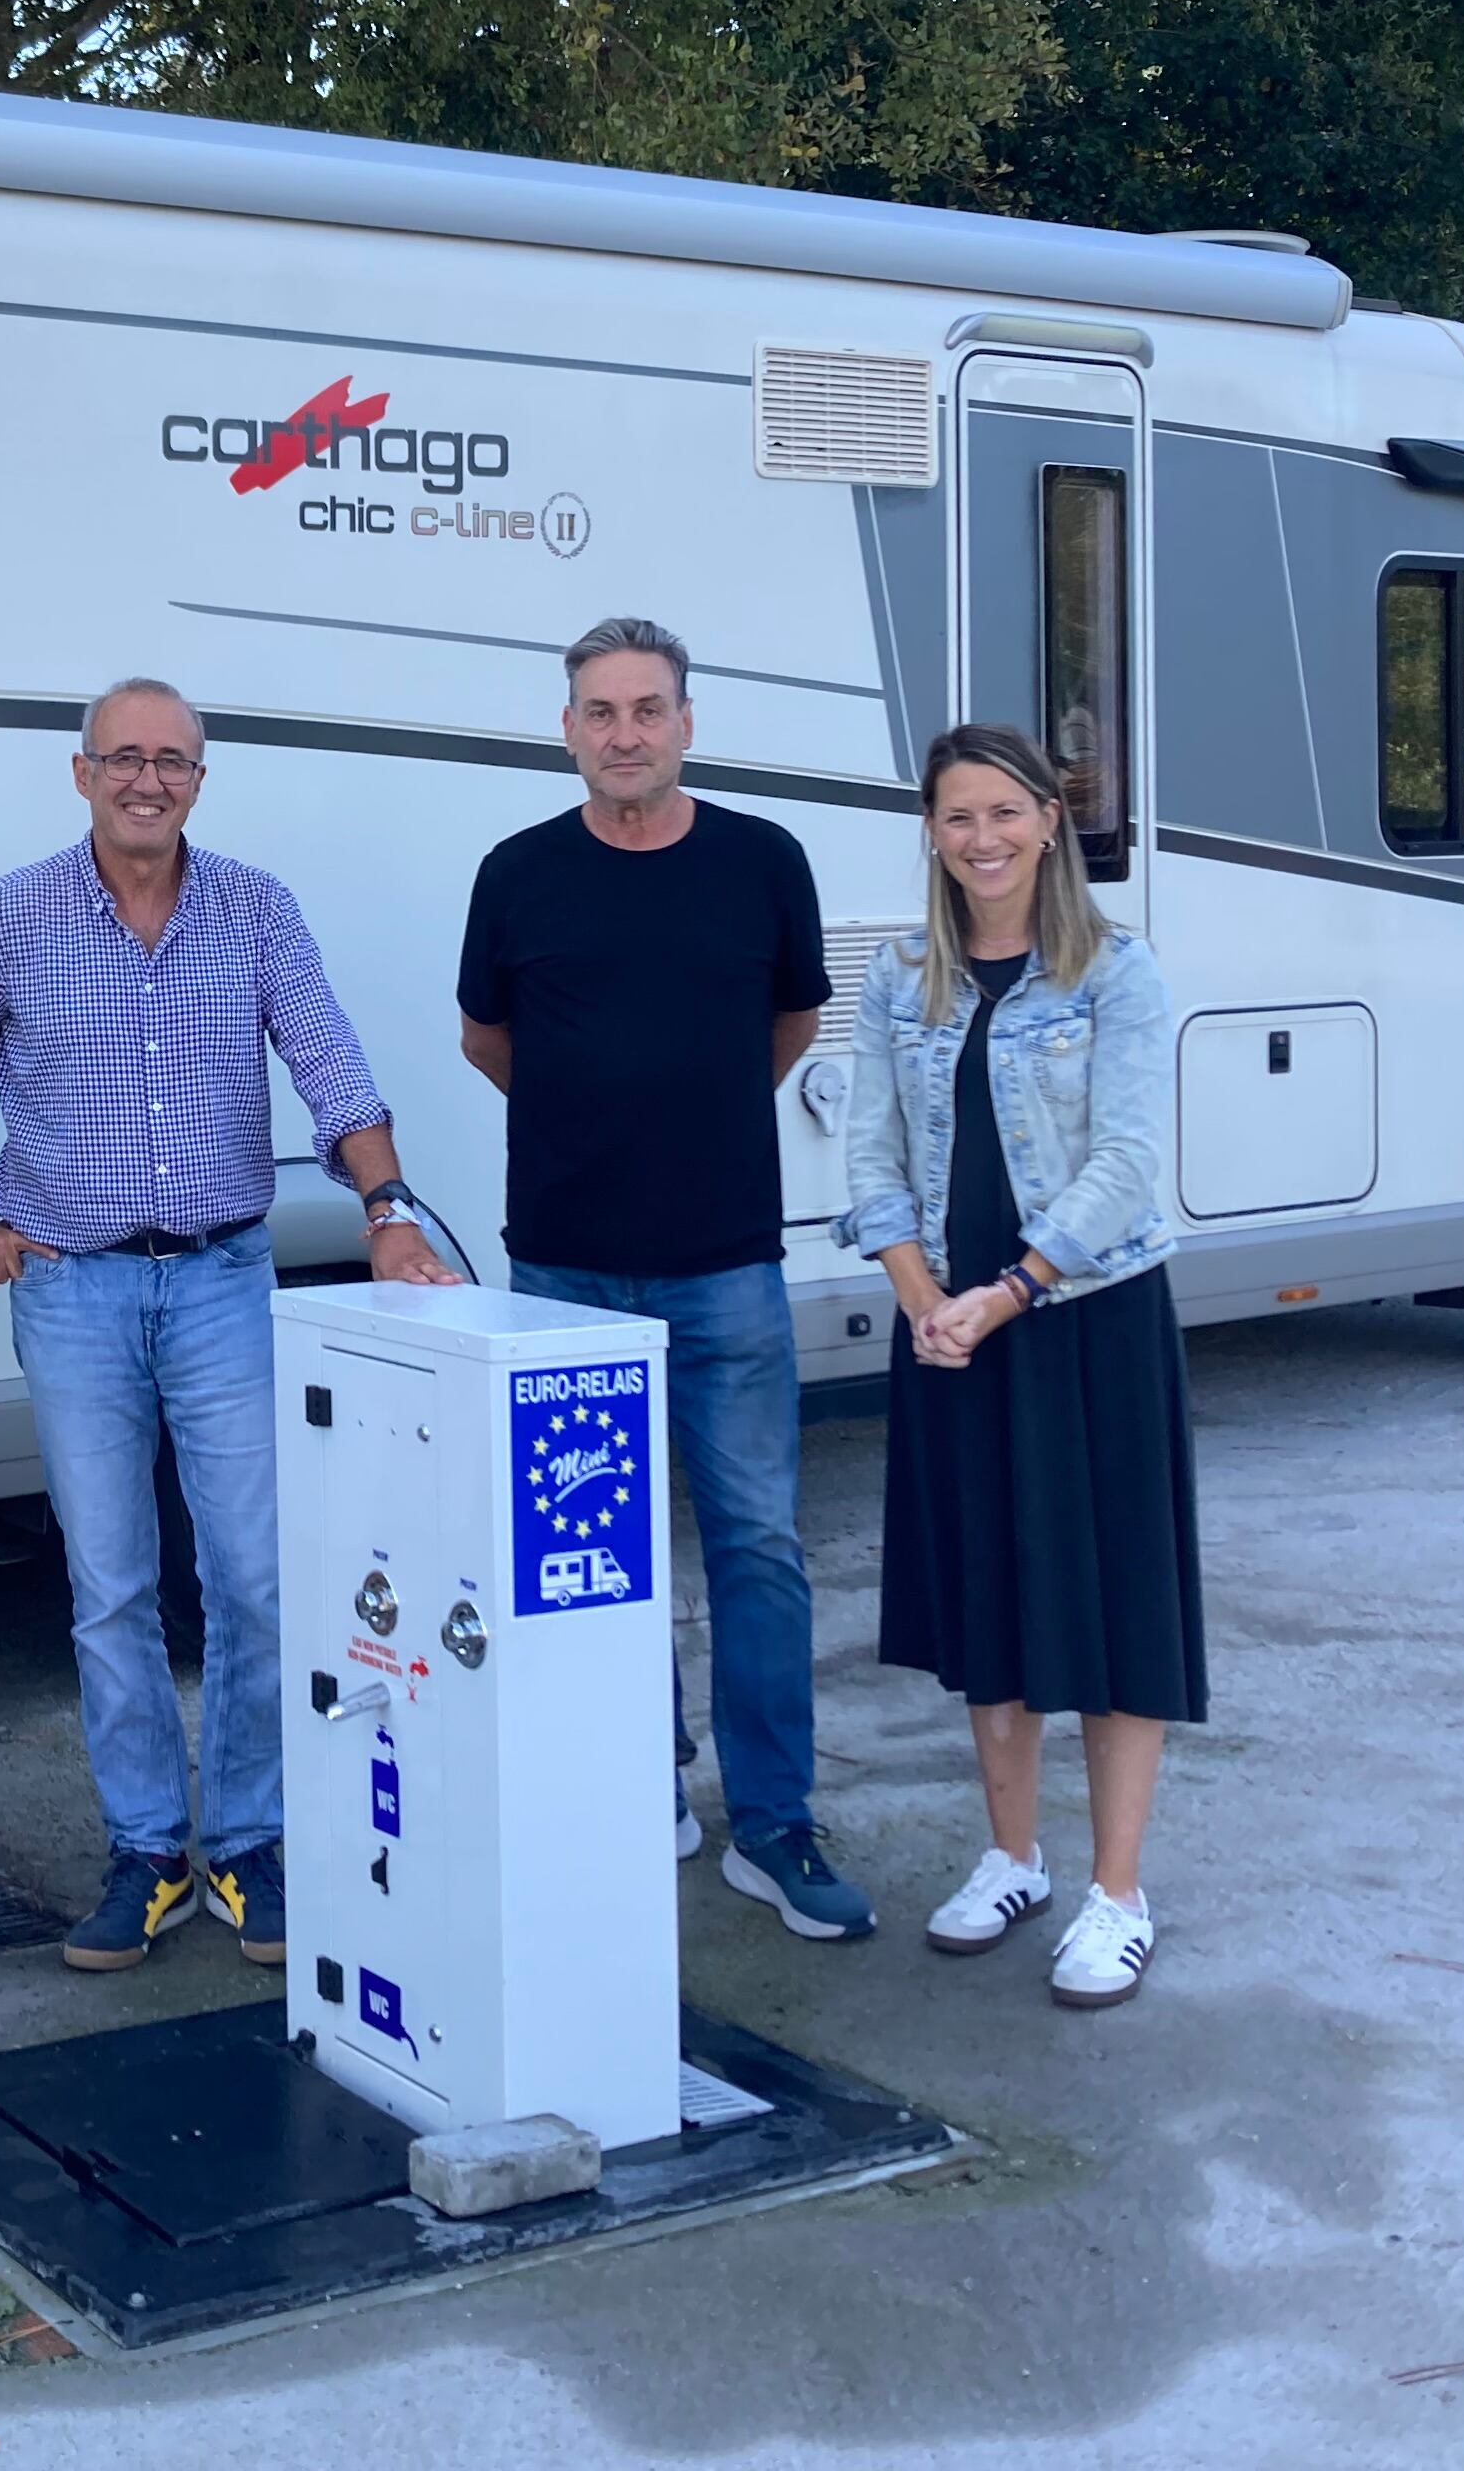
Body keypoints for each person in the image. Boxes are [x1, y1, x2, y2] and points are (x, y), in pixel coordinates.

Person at [0, 677, 460, 1974]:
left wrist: (390, 1211)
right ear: (80, 773)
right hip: (72, 1291)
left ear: (202, 779)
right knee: (110, 1587)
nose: (149, 780)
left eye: (173, 763)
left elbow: (332, 1068)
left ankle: (245, 1846)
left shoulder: (256, 910)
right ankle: (147, 1854)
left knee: (253, 1579)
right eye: (123, 759)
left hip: (217, 1284)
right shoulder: (11, 916)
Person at [456, 617, 872, 1939]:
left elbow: (793, 1024)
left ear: (687, 722)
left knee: (756, 1543)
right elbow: (488, 1038)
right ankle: (637, 1789)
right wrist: (604, 1120)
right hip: (563, 1273)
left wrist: (682, 1119)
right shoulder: (518, 873)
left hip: (726, 1270)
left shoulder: (763, 862)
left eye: (647, 709)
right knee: (593, 1552)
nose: (625, 733)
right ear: (567, 729)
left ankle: (773, 1823)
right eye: (600, 712)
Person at [840, 721, 1201, 2011]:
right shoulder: (899, 976)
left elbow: (1124, 1163)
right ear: (932, 835)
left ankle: (1117, 1891)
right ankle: (1011, 1857)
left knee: (1110, 1604)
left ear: (1051, 819)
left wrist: (1007, 1293)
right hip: (949, 1326)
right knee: (990, 1603)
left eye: (1005, 812)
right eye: (957, 818)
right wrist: (924, 1298)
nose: (982, 838)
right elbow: (869, 1153)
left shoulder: (1115, 971)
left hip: (1082, 1318)